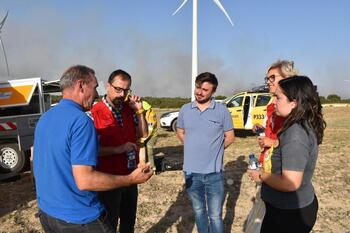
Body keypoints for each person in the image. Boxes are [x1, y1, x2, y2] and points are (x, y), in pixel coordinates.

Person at [33, 65, 153, 233]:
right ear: (81, 85)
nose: (96, 93)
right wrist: (131, 179)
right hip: (79, 216)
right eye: (95, 87)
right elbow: (85, 180)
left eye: (126, 90)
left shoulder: (45, 118)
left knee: (127, 222)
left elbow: (41, 160)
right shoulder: (83, 120)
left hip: (50, 214)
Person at [248, 76, 326, 233]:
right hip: (290, 209)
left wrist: (260, 176)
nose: (274, 101)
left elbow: (290, 183)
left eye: (278, 97)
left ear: (294, 102)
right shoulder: (300, 124)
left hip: (289, 215)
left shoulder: (295, 133)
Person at [90, 69, 148, 233]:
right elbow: (91, 151)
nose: (122, 94)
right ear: (107, 86)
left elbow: (142, 134)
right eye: (118, 89)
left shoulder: (129, 109)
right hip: (108, 180)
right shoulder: (94, 113)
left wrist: (139, 110)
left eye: (126, 90)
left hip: (130, 176)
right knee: (109, 225)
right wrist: (119, 149)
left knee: (128, 224)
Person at [176, 72, 235, 233]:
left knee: (215, 215)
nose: (199, 92)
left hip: (214, 174)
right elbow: (180, 130)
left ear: (213, 92)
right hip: (191, 173)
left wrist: (215, 150)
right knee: (199, 211)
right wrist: (190, 146)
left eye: (204, 89)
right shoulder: (185, 109)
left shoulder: (222, 110)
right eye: (197, 87)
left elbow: (230, 137)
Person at [245, 60, 299, 233]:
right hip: (267, 166)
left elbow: (298, 143)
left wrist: (274, 142)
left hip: (282, 175)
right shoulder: (271, 107)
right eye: (267, 78)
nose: (268, 81)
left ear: (288, 78)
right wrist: (262, 131)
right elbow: (271, 131)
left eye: (272, 77)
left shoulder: (294, 110)